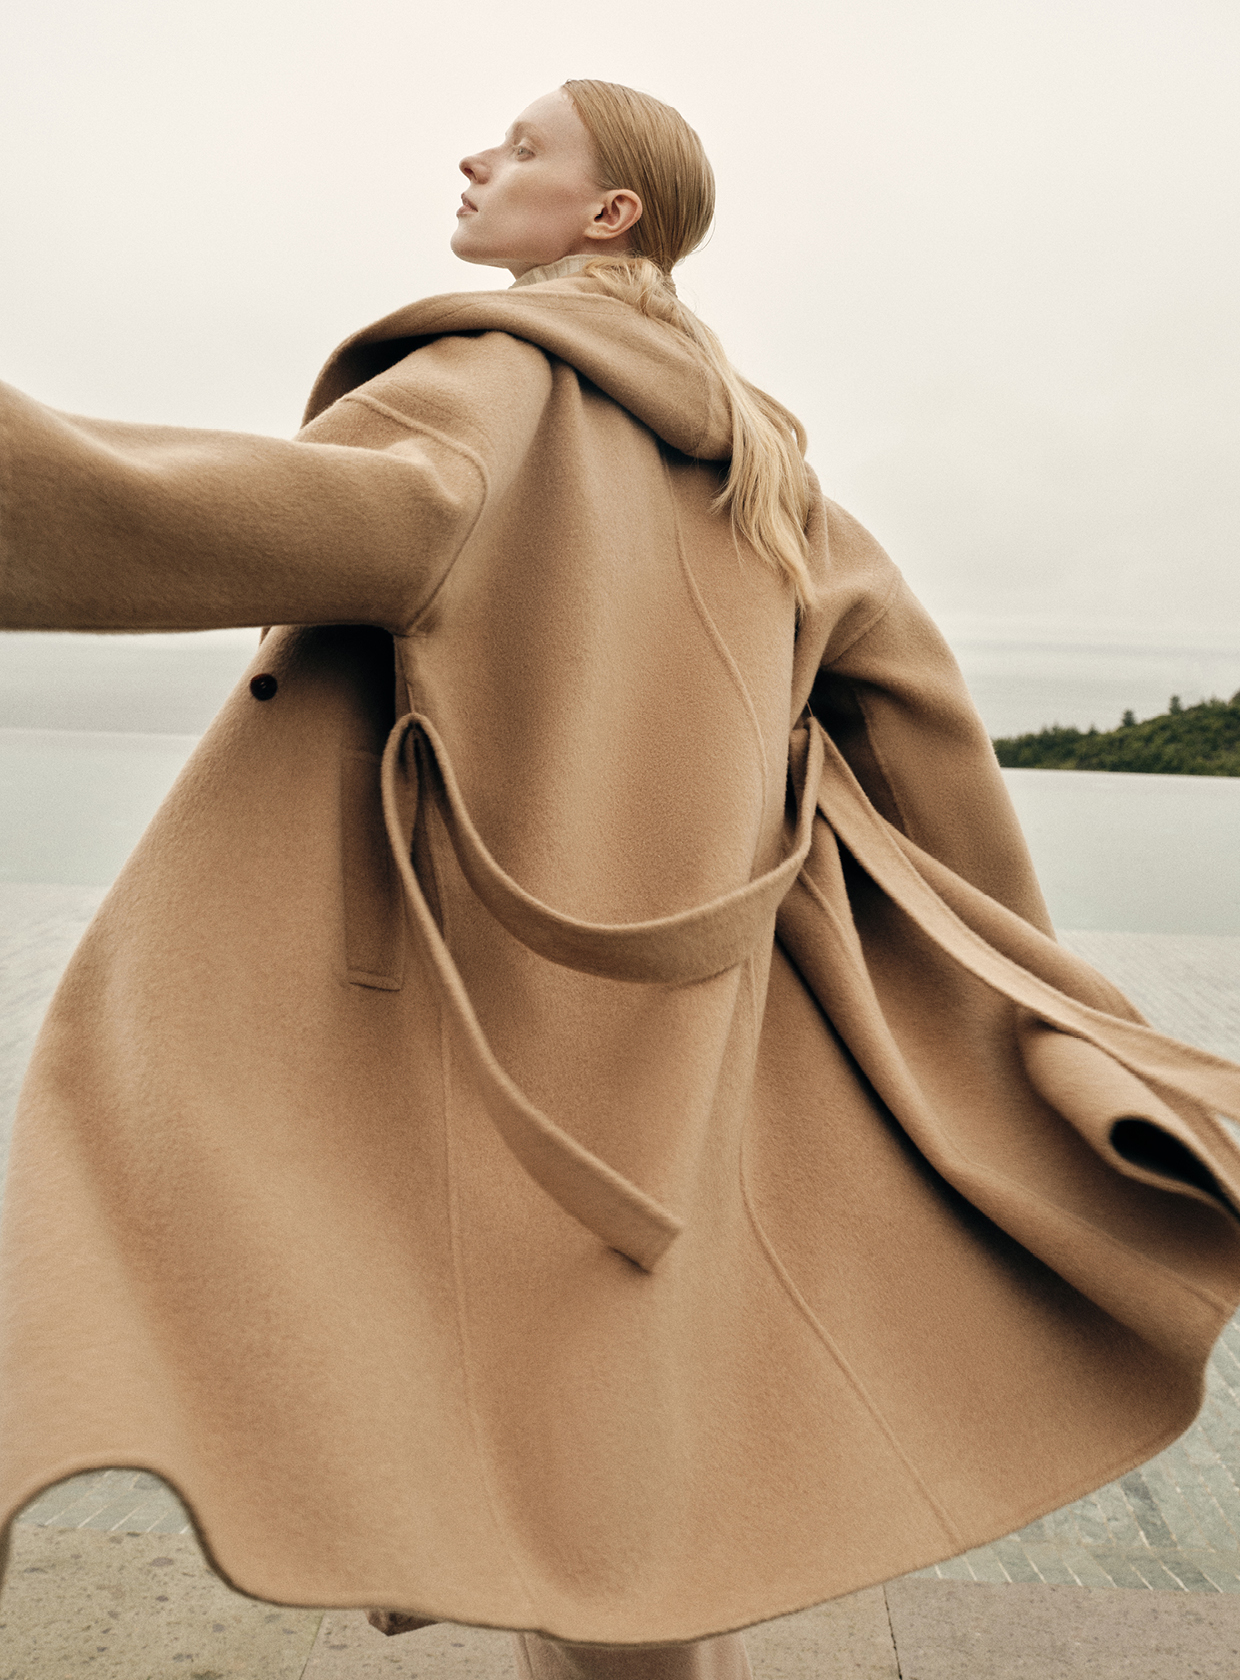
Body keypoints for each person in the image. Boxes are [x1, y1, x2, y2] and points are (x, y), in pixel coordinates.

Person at [2, 77, 1240, 1680]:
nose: (474, 156)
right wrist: (1025, 1026)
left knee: (563, 1516)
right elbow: (925, 739)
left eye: (522, 145)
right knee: (631, 1512)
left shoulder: (493, 388)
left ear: (610, 212)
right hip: (708, 1057)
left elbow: (193, 515)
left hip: (491, 1048)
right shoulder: (775, 470)